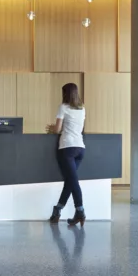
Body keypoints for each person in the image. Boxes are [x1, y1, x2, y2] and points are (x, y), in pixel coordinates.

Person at [46, 83, 86, 227]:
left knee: (73, 182)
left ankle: (80, 211)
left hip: (68, 148)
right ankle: (58, 210)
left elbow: (57, 129)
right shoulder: (82, 109)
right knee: (70, 181)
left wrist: (51, 128)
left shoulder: (63, 107)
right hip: (80, 148)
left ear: (65, 93)